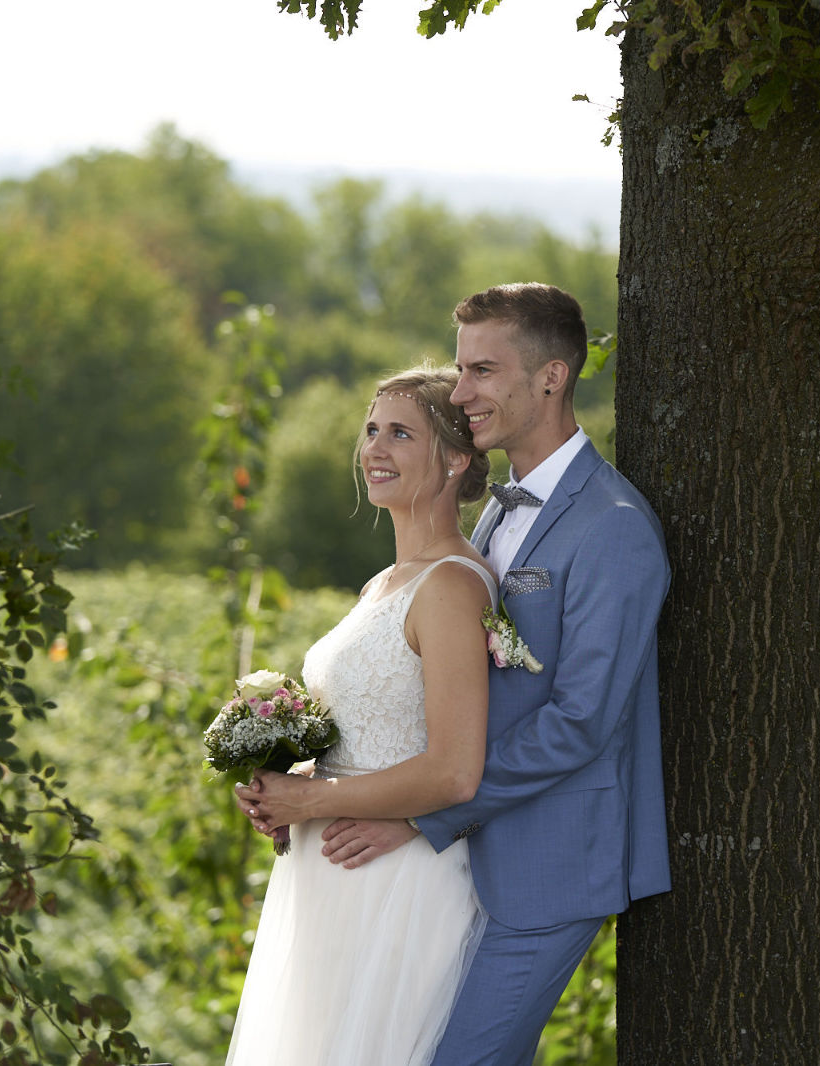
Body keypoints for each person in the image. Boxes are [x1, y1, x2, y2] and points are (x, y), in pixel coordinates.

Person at [247, 282, 672, 1065]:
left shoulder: (612, 529)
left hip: (548, 864)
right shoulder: (500, 511)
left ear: (551, 377)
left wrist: (422, 815)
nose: (463, 391)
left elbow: (581, 721)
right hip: (464, 852)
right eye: (461, 367)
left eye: (482, 370)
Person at [224, 364, 496, 1066]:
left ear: (455, 459)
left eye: (400, 433)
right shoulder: (384, 583)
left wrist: (312, 799)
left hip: (396, 882)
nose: (374, 447)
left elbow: (454, 770)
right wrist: (287, 785)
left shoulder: (451, 586)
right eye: (372, 430)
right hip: (330, 875)